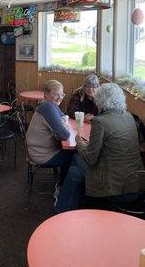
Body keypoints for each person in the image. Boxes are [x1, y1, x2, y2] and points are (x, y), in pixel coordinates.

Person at [56, 83, 143, 213]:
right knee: (75, 170)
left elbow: (91, 159)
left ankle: (65, 206)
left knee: (74, 161)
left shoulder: (100, 121)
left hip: (114, 187)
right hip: (136, 183)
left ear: (101, 101)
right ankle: (76, 201)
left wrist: (79, 141)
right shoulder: (129, 117)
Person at [26, 80, 73, 186]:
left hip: (40, 149)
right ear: (46, 94)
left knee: (72, 154)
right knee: (74, 157)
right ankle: (61, 188)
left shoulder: (49, 105)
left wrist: (62, 125)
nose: (60, 97)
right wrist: (63, 126)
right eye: (56, 94)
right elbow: (65, 135)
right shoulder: (47, 107)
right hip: (41, 154)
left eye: (62, 94)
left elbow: (64, 117)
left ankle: (62, 184)